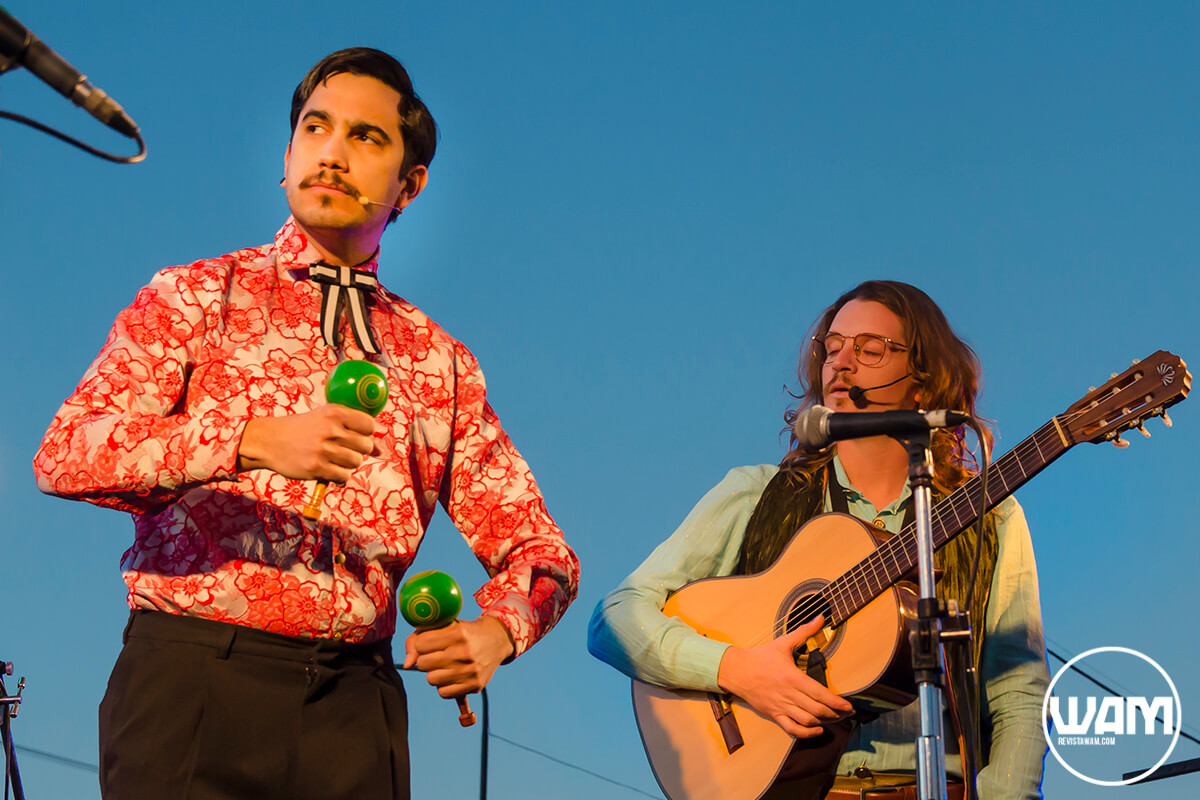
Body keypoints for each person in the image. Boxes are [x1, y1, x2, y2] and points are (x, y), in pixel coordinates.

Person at [33, 47, 579, 800]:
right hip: (193, 682)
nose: (332, 152)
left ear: (409, 184)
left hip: (357, 706)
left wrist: (496, 632)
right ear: (286, 158)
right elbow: (66, 453)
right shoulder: (197, 295)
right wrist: (249, 440)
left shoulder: (440, 362)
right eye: (315, 129)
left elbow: (543, 553)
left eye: (366, 137)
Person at [588, 280, 1048, 799]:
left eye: (870, 349)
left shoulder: (990, 515)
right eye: (832, 347)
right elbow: (615, 618)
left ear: (923, 382)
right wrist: (735, 669)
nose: (841, 363)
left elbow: (1019, 693)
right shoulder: (755, 493)